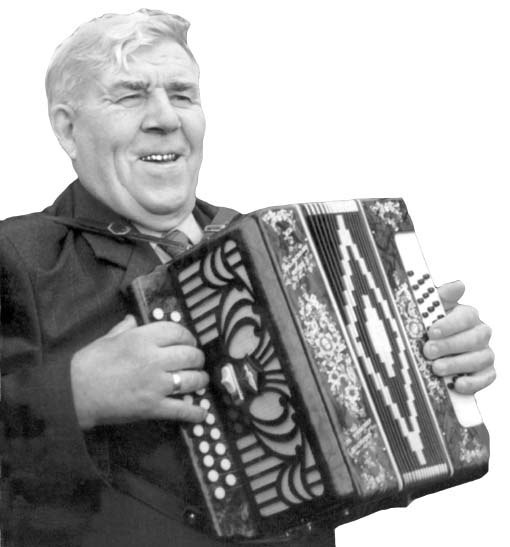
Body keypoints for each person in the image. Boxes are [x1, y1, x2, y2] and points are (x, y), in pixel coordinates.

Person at [0, 9, 495, 547]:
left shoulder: (277, 248)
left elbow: (348, 460)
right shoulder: (20, 256)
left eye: (183, 94)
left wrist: (432, 370)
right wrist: (75, 395)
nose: (165, 117)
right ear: (67, 128)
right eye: (129, 95)